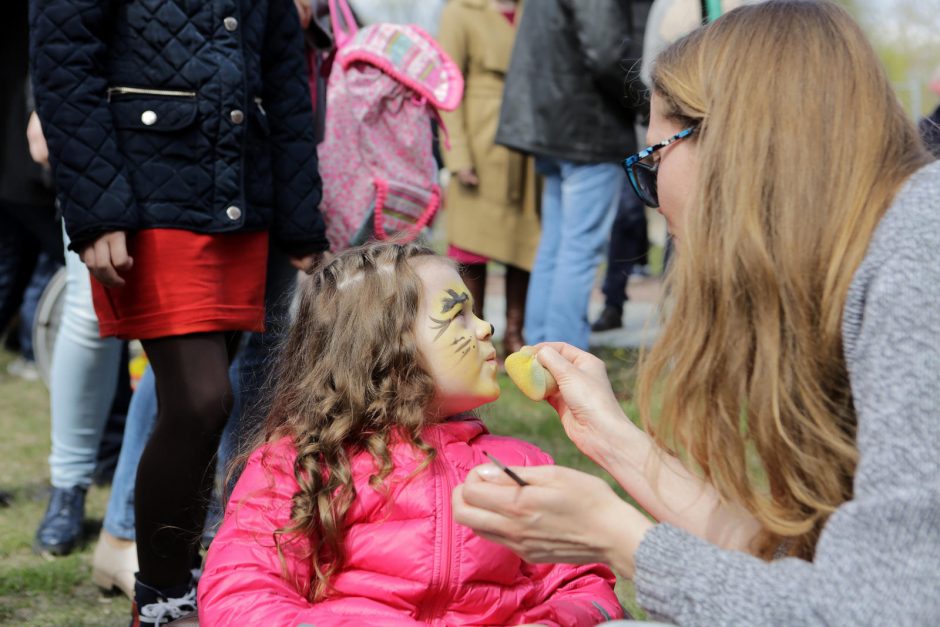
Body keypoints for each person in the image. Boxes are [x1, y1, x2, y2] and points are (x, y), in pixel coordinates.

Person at [452, 2, 940, 624]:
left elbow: (873, 613)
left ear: (738, 141)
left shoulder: (920, 261)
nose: (652, 199)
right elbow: (814, 570)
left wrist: (618, 539)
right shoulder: (880, 252)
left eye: (654, 159)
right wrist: (612, 438)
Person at [30, 0, 328, 623]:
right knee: (202, 400)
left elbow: (282, 73)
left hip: (241, 194)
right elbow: (64, 64)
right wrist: (97, 210)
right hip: (144, 194)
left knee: (198, 412)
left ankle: (175, 588)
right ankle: (163, 601)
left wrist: (301, 221)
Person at [198, 243, 623, 626]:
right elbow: (241, 589)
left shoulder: (519, 465)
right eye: (458, 315)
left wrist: (554, 621)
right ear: (385, 347)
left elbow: (581, 583)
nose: (484, 328)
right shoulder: (303, 463)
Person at [495, 0, 646, 350]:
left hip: (553, 123)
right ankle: (564, 355)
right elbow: (607, 52)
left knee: (556, 243)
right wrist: (645, 102)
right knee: (578, 247)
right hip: (586, 126)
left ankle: (538, 350)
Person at [437, 0, 540, 357]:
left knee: (522, 242)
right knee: (471, 246)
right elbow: (446, 86)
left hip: (525, 142)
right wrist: (457, 154)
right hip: (479, 143)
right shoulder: (461, 10)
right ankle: (474, 336)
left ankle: (515, 334)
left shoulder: (534, 9)